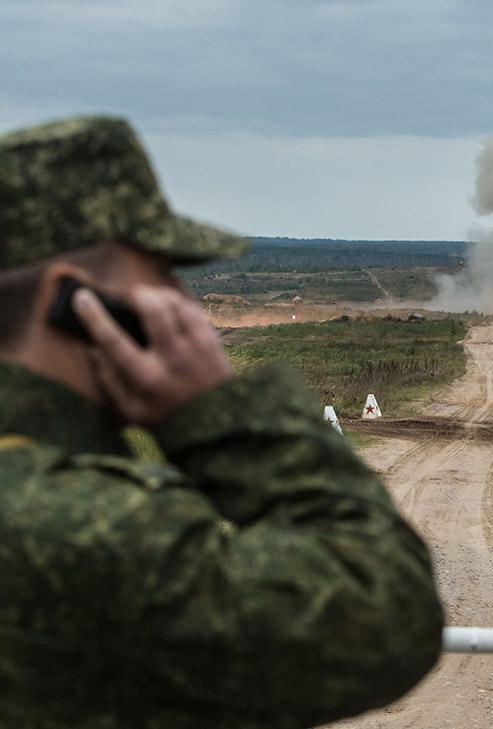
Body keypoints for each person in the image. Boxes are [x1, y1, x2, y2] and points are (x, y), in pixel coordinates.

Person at [0, 116, 444, 728]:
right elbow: (387, 616)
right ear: (73, 301)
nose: (182, 300)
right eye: (159, 275)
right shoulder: (84, 521)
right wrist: (217, 414)